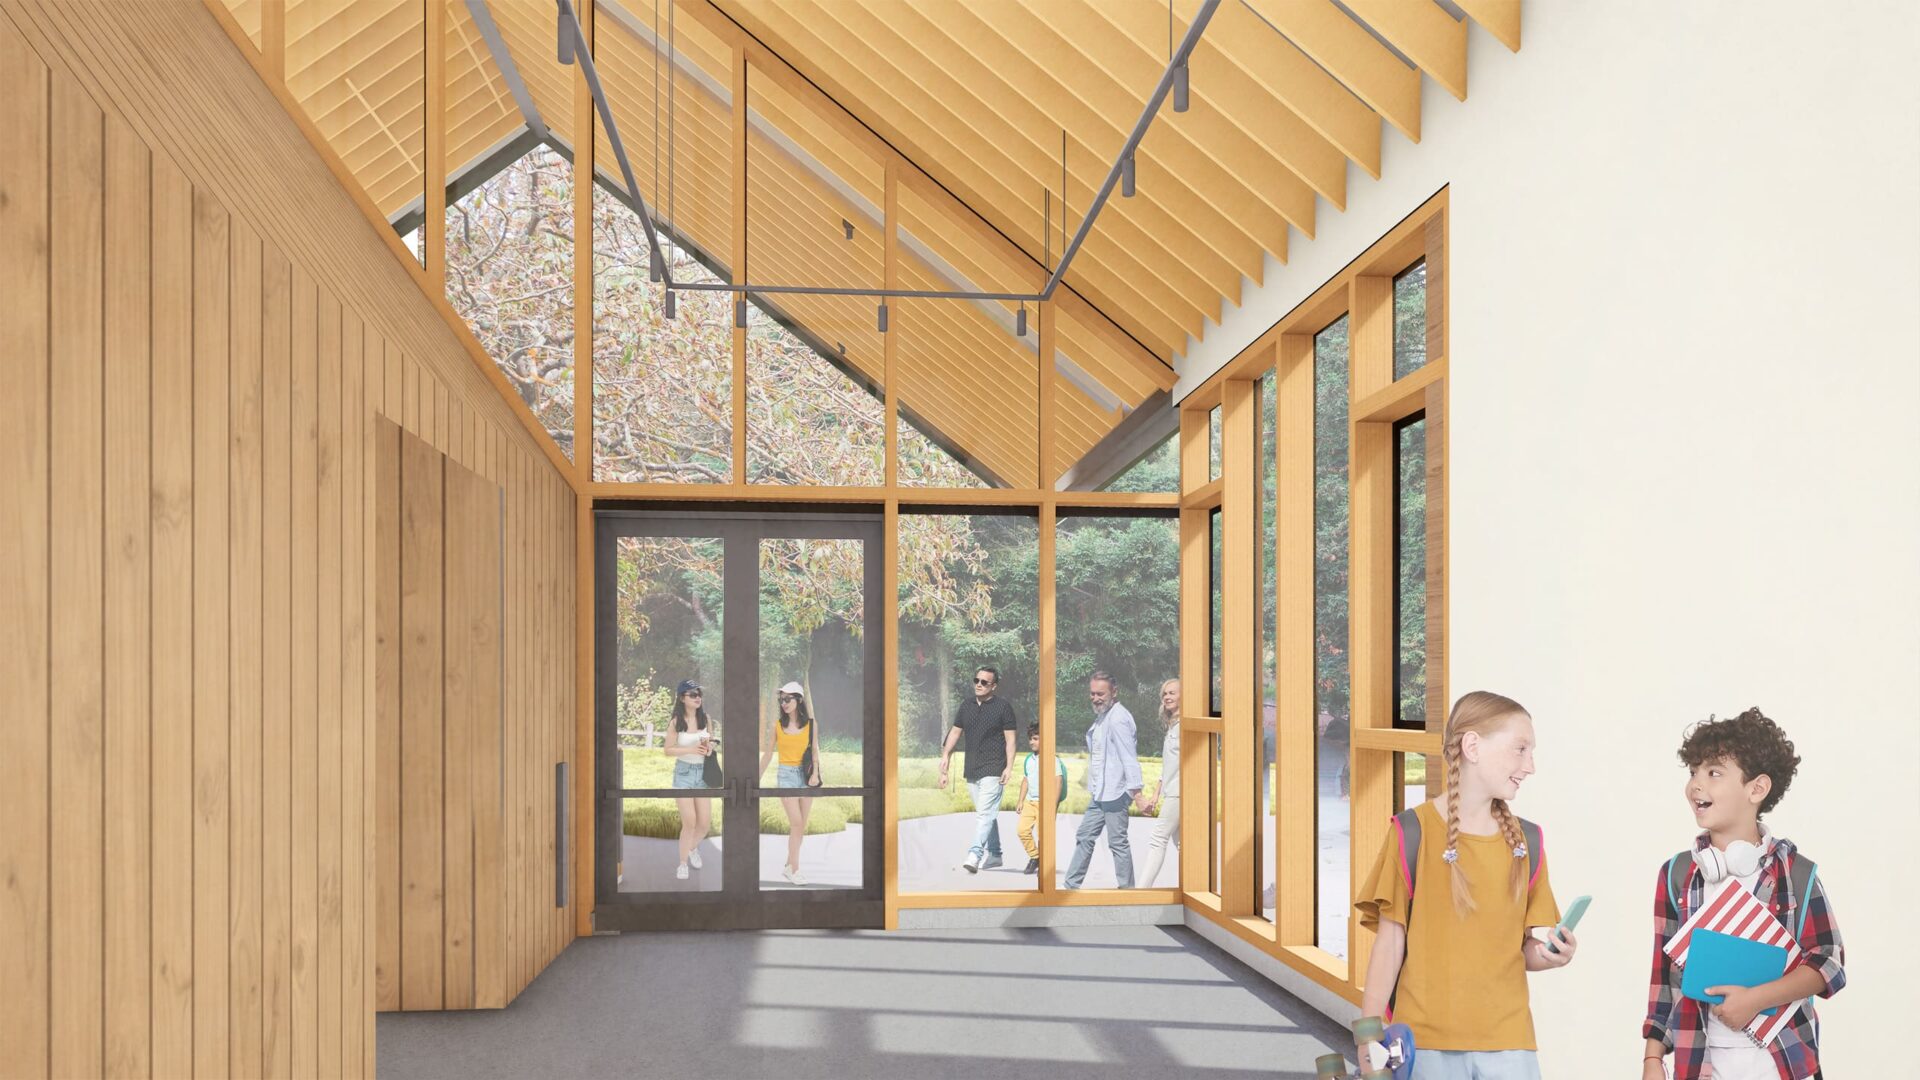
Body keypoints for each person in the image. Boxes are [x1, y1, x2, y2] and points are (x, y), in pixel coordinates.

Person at [1356, 691, 1575, 1079]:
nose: (1531, 765)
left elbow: (1522, 951)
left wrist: (1552, 954)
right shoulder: (1412, 832)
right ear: (1472, 746)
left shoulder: (1527, 841)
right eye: (1520, 749)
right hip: (1422, 1045)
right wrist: (1367, 1038)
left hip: (1510, 1043)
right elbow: (1389, 945)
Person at [1641, 709, 1845, 1080]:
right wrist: (1652, 1059)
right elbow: (1664, 980)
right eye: (1693, 772)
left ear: (1756, 788)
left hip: (1782, 1064)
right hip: (1701, 1062)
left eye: (1713, 773)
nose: (1696, 785)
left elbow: (1829, 964)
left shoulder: (1797, 874)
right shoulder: (1677, 875)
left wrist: (1755, 999)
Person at [1063, 672, 1145, 889]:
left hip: (1116, 792)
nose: (1095, 698)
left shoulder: (1118, 718)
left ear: (1114, 692)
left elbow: (1129, 757)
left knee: (1117, 842)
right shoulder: (1102, 717)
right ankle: (1070, 887)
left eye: (1101, 693)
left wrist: (1137, 794)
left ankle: (1127, 891)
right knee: (1085, 836)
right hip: (1100, 792)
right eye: (1092, 693)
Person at [937, 666, 1017, 873]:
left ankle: (974, 854)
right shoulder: (967, 705)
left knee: (984, 815)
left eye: (984, 682)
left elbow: (1010, 740)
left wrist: (1009, 767)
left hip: (994, 767)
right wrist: (946, 755)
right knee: (986, 813)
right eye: (977, 681)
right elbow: (955, 733)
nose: (979, 685)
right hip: (972, 768)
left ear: (994, 686)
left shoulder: (1003, 707)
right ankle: (996, 854)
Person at [758, 680, 822, 886]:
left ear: (799, 700)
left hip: (806, 776)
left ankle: (788, 865)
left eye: (788, 699)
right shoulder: (778, 726)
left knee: (801, 825)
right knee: (795, 823)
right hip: (785, 776)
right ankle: (795, 870)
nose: (783, 703)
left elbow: (815, 751)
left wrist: (815, 775)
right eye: (781, 699)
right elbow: (768, 754)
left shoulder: (811, 724)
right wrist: (755, 778)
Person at [664, 679, 716, 882]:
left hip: (702, 773)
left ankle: (692, 848)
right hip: (684, 774)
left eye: (699, 694)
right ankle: (683, 863)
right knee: (690, 822)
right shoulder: (677, 721)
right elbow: (668, 750)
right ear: (682, 698)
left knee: (704, 824)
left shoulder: (706, 719)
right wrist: (691, 750)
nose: (698, 697)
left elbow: (710, 744)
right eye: (693, 694)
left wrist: (709, 749)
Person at [1138, 679, 1182, 888]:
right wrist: (1156, 793)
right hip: (1171, 790)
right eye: (1164, 693)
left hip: (1180, 792)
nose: (1167, 697)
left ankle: (1140, 892)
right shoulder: (1172, 727)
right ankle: (1198, 887)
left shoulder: (1185, 727)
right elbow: (1169, 766)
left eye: (1172, 693)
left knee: (1158, 838)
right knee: (1182, 843)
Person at [1014, 721, 1067, 875]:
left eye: (1036, 738)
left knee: (1044, 835)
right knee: (1022, 830)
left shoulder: (1052, 759)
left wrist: (1053, 804)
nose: (1032, 742)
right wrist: (1020, 800)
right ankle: (1035, 857)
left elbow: (1058, 781)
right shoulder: (1029, 760)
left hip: (1046, 803)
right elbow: (1026, 780)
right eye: (1031, 738)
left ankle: (1045, 865)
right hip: (1030, 802)